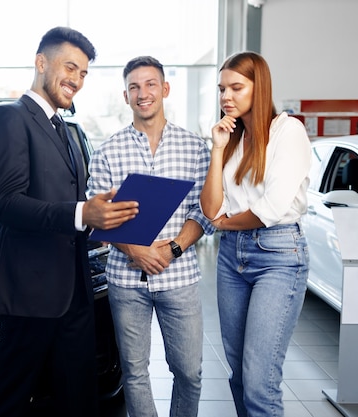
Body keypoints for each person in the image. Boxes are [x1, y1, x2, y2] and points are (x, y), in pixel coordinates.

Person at [0, 27, 139, 417]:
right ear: (41, 63)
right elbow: (10, 205)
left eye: (83, 73)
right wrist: (83, 213)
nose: (77, 80)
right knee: (9, 397)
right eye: (70, 67)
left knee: (79, 397)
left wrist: (104, 214)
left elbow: (70, 201)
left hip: (75, 291)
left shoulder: (65, 130)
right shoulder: (8, 118)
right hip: (32, 293)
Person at [87, 56, 214, 417]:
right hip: (126, 281)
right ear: (125, 96)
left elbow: (205, 212)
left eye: (151, 84)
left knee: (189, 372)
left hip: (180, 278)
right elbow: (100, 214)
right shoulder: (107, 151)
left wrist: (172, 249)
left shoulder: (194, 148)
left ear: (165, 89)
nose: (143, 94)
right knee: (135, 373)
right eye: (134, 87)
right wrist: (136, 250)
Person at [199, 51, 311, 417]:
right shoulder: (230, 139)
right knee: (239, 377)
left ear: (257, 87)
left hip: (278, 254)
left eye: (235, 87)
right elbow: (210, 207)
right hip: (232, 256)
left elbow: (270, 209)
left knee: (260, 380)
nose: (225, 97)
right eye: (221, 89)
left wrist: (223, 223)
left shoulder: (287, 131)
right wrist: (216, 150)